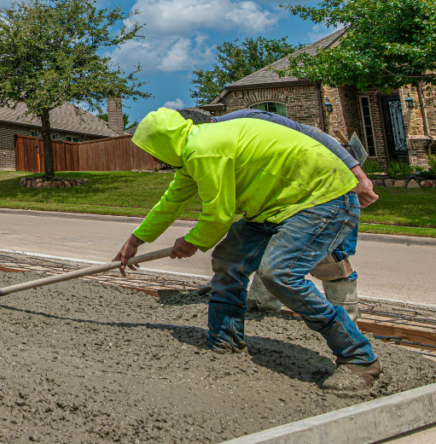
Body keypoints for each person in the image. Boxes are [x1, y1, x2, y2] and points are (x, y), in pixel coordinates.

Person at [114, 108, 380, 390]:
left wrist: (191, 241)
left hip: (322, 199)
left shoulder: (204, 149)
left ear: (162, 143)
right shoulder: (193, 151)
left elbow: (218, 216)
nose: (153, 158)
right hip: (274, 206)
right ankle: (224, 341)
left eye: (151, 150)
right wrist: (136, 240)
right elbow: (170, 203)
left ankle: (359, 358)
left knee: (281, 274)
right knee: (229, 261)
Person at [178, 108, 374, 321]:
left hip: (326, 180)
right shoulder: (214, 146)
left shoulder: (250, 120)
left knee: (332, 259)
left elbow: (315, 134)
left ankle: (347, 320)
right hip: (284, 190)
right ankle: (262, 308)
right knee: (271, 249)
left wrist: (359, 176)